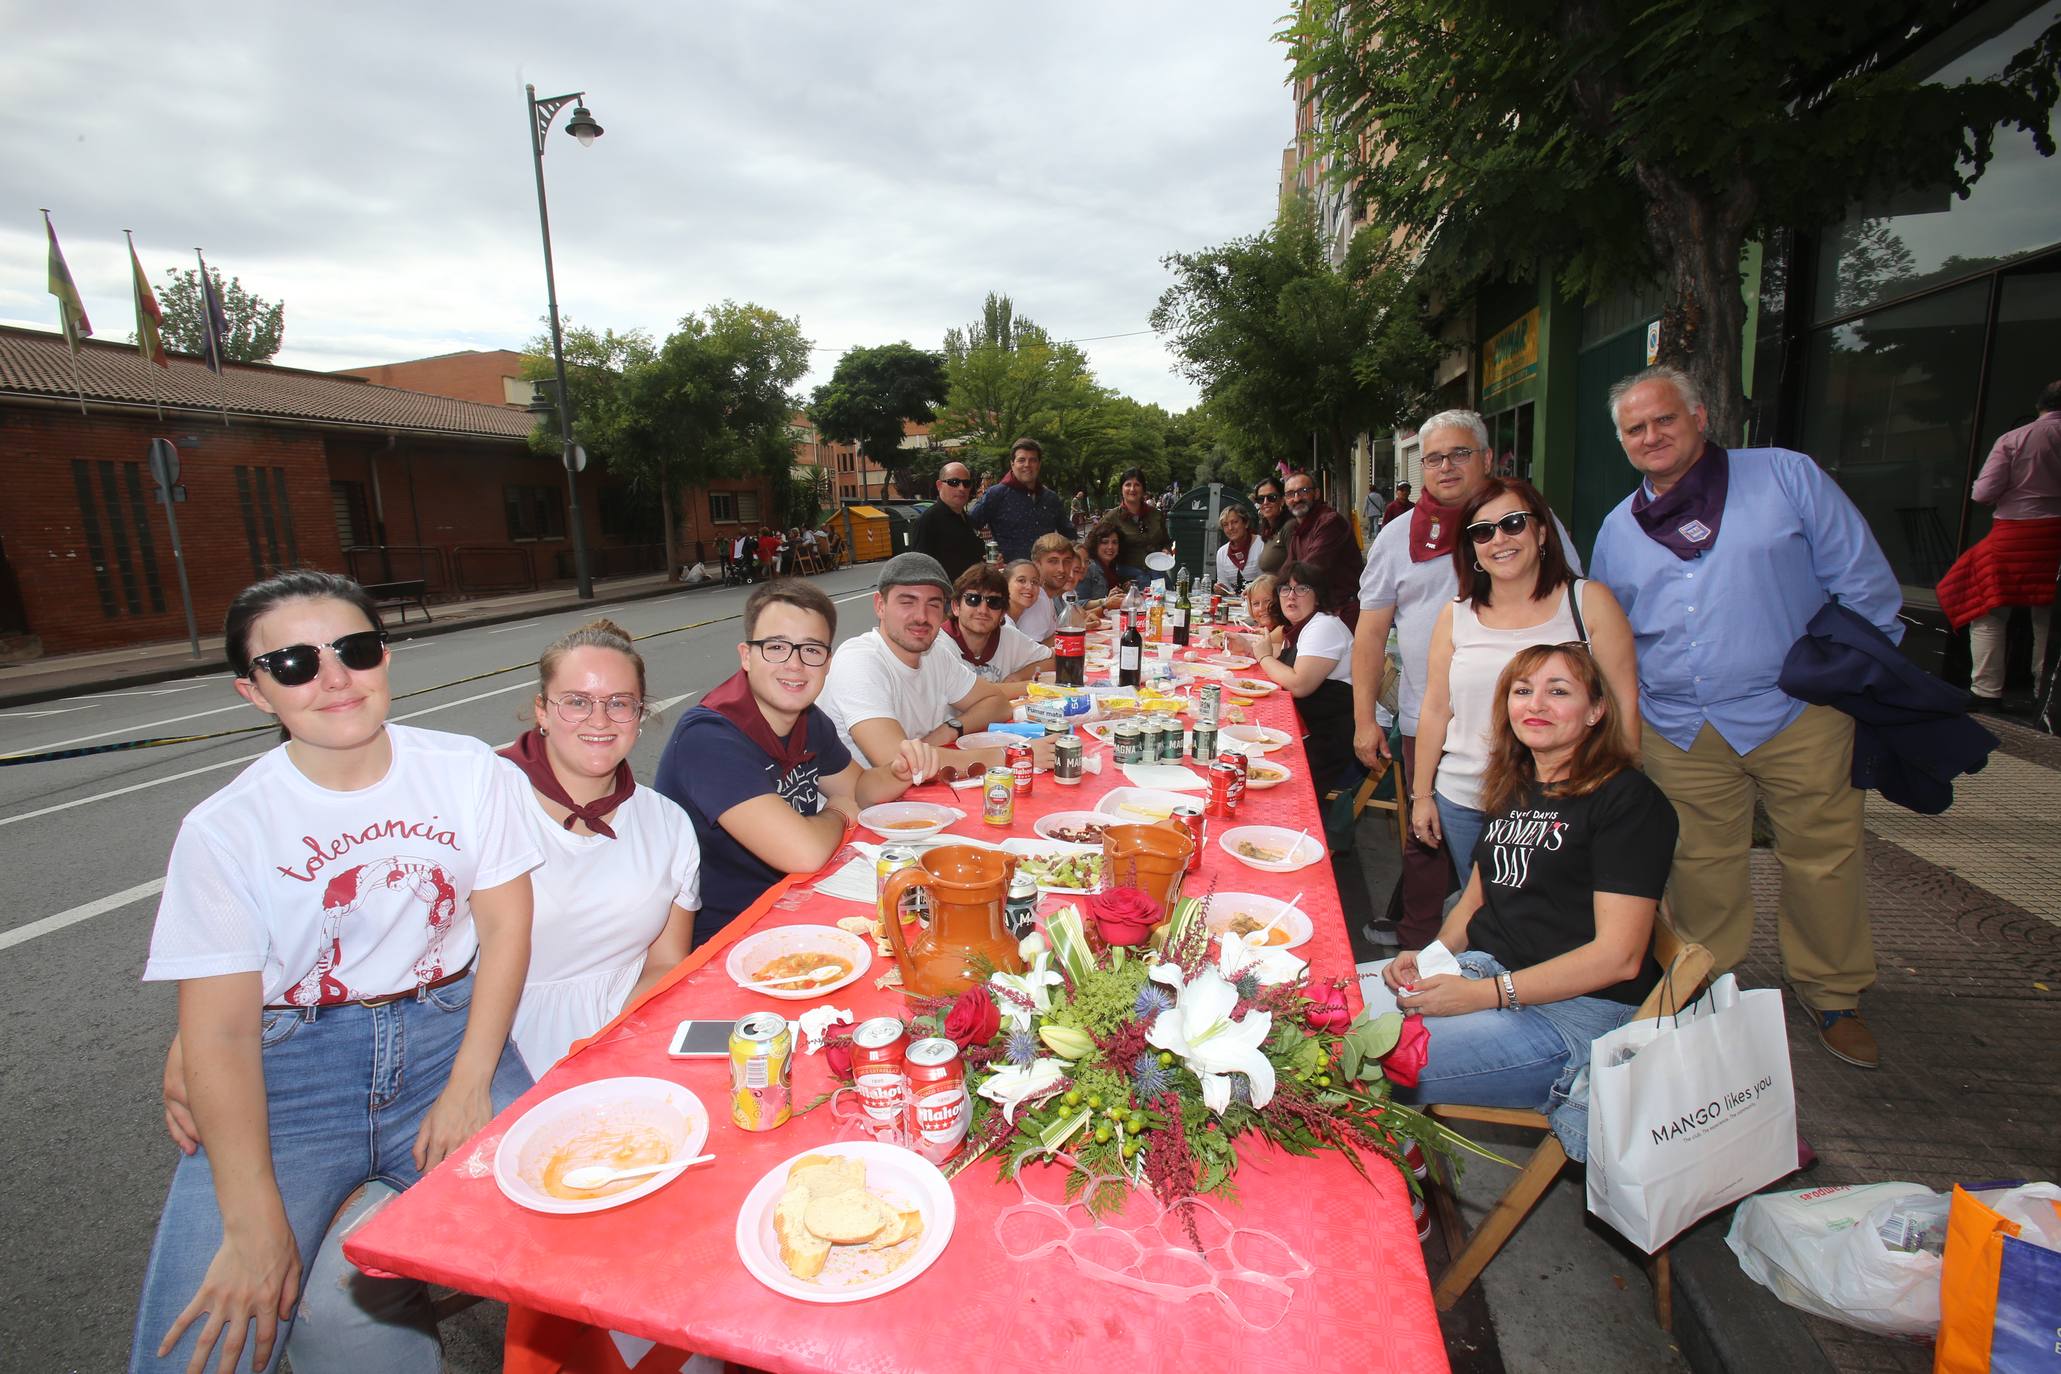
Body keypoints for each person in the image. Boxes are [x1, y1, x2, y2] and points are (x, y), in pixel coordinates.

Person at [134, 570, 536, 1374]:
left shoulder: (467, 771)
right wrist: (254, 1224)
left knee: (589, 1216)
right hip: (293, 1075)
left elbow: (505, 925)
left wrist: (469, 1082)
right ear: (254, 692)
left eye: (353, 649)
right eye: (293, 664)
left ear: (383, 657)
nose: (334, 678)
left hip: (444, 1038)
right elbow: (219, 1026)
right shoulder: (223, 830)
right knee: (209, 1337)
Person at [1589, 365, 1901, 1069]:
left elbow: (1864, 584)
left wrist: (1848, 676)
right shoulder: (1617, 527)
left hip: (1798, 712)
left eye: (1663, 419)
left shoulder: (1785, 477)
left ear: (1700, 416)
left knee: (1823, 857)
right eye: (1634, 429)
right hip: (1680, 724)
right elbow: (1613, 630)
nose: (1650, 436)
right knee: (1698, 865)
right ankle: (1709, 988)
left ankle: (1832, 993)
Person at [1377, 643, 1677, 1160]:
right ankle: (1400, 1163)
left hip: (1574, 1017)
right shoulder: (1519, 784)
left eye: (1558, 691)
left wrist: (1486, 994)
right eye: (1522, 691)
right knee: (1324, 1016)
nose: (1535, 704)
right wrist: (1431, 958)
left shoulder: (1628, 800)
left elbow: (1619, 957)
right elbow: (1475, 901)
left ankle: (1400, 1199)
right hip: (1488, 973)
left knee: (1365, 1060)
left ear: (1596, 711)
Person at [1352, 409, 1582, 948]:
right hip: (1431, 718)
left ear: (1485, 458)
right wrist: (1365, 718)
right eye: (1434, 457)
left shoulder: (1531, 521)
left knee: (1535, 849)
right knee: (1427, 841)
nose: (1446, 466)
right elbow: (1369, 633)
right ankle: (1421, 949)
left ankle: (1512, 954)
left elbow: (1575, 608)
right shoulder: (1397, 535)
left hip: (1537, 725)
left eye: (1460, 454)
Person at [656, 579, 942, 946]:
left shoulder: (807, 718)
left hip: (793, 903)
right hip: (729, 934)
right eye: (776, 647)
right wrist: (838, 813)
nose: (794, 664)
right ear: (746, 655)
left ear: (827, 662)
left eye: (811, 650)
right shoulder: (710, 737)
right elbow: (804, 852)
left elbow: (860, 793)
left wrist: (896, 772)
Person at [496, 619, 700, 1073]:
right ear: (542, 711)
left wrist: (616, 1047)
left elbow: (665, 961)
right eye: (576, 702)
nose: (600, 720)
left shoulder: (667, 822)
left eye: (619, 704)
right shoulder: (489, 806)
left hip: (630, 1034)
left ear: (641, 714)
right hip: (501, 1053)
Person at [1413, 479, 1638, 883]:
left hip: (1564, 804)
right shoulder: (1456, 615)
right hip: (1466, 799)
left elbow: (1623, 711)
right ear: (1472, 549)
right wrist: (1422, 794)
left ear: (1542, 531)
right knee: (1481, 920)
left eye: (1513, 523)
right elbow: (1435, 708)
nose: (1499, 538)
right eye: (1482, 531)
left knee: (1553, 923)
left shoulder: (1589, 604)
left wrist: (1621, 803)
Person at [820, 553, 1050, 772]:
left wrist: (950, 730)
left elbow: (996, 702)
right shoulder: (859, 659)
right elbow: (897, 761)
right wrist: (1012, 755)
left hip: (916, 792)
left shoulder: (935, 655)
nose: (921, 616)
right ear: (880, 605)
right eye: (907, 602)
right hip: (858, 807)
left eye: (933, 604)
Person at [1938, 380, 2061, 710]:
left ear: (2040, 406)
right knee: (2047, 618)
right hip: (2056, 538)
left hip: (2016, 533)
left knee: (1988, 609)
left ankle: (1987, 690)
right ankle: (2045, 694)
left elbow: (1983, 494)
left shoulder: (2015, 439)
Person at [1241, 561, 1360, 792]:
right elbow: (1283, 659)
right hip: (1309, 728)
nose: (1291, 596)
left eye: (1301, 589)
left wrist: (1264, 658)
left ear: (1318, 596)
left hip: (1331, 743)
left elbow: (1299, 684)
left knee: (1257, 771)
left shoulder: (1323, 627)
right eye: (1285, 589)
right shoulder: (1306, 626)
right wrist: (1251, 650)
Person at [965, 437, 1075, 562]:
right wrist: (987, 555)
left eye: (1032, 460)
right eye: (1021, 460)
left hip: (1047, 575)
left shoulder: (1050, 498)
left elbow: (1069, 533)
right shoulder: (996, 494)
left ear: (1039, 464)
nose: (1027, 465)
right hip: (1010, 576)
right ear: (1012, 464)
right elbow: (969, 526)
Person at [942, 563, 1052, 683]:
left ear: (1003, 613)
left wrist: (1017, 677)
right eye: (973, 599)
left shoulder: (1009, 636)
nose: (983, 610)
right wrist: (1028, 687)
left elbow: (1052, 661)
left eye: (994, 602)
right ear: (956, 607)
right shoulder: (938, 645)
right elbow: (969, 696)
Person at [1283, 469, 1365, 629]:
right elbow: (1287, 570)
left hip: (1339, 615)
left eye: (1303, 491)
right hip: (1317, 613)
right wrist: (1262, 588)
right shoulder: (1297, 529)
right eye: (1290, 494)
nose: (1296, 498)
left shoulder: (1329, 522)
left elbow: (1307, 571)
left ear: (1317, 493)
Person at [910, 459, 987, 582]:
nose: (961, 488)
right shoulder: (928, 521)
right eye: (954, 482)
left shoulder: (968, 520)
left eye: (966, 483)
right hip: (947, 597)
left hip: (972, 594)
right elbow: (919, 569)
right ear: (939, 485)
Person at [1110, 467, 1171, 568]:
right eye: (1128, 485)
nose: (1132, 489)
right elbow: (1094, 547)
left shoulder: (1156, 515)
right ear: (1121, 489)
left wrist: (1166, 550)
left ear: (1143, 489)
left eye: (1137, 485)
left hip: (1157, 574)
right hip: (1126, 578)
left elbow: (1166, 542)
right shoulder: (1111, 517)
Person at [1079, 519, 1144, 603]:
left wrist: (1123, 590)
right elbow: (1078, 604)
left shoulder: (1113, 567)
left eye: (1114, 542)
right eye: (1105, 542)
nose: (1110, 547)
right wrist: (1105, 601)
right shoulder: (1088, 567)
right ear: (1095, 544)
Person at [1252, 475, 1297, 577]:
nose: (1265, 502)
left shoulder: (1290, 526)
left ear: (1282, 500)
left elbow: (1297, 567)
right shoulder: (1269, 531)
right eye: (1260, 499)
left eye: (1271, 498)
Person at [1213, 503, 1263, 595]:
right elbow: (1225, 586)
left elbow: (1269, 581)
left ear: (1246, 523)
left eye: (1235, 522)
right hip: (1234, 606)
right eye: (1225, 525)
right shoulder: (1221, 553)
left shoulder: (1262, 545)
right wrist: (1222, 589)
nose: (1230, 528)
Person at [1008, 555, 1058, 642]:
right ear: (1005, 584)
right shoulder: (1000, 619)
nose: (1029, 587)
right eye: (1021, 580)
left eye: (1034, 582)